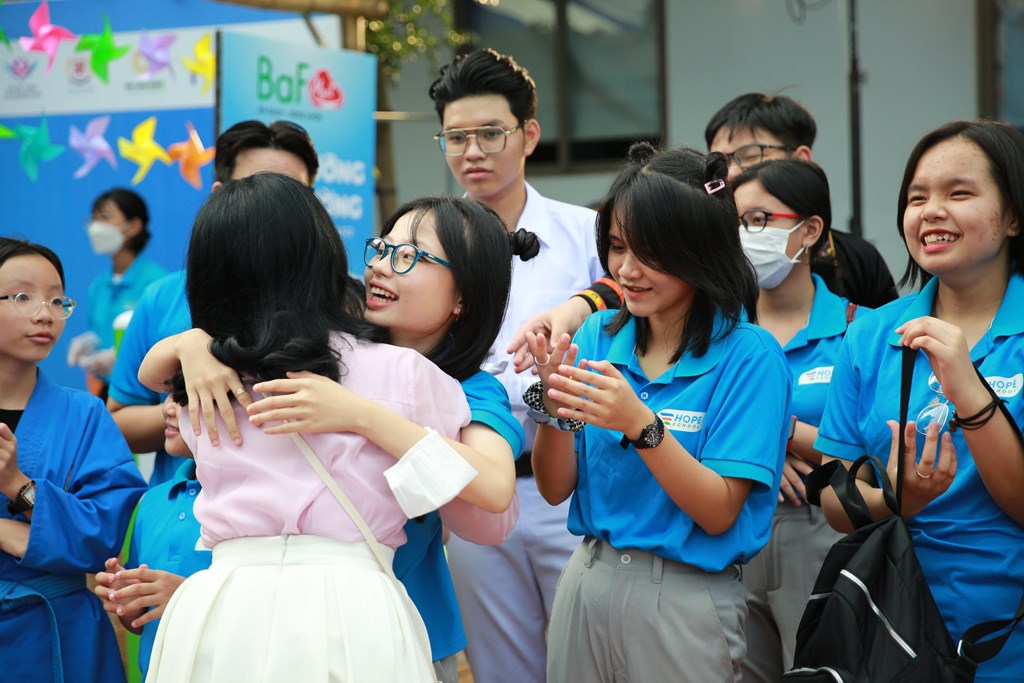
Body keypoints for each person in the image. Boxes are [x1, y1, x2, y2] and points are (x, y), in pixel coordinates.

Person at [133, 196, 533, 682]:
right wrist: (191, 343)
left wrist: (361, 415)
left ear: (462, 297)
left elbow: (492, 497)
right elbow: (159, 382)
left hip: (397, 615)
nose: (382, 268)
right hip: (286, 608)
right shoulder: (318, 349)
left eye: (409, 257)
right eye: (380, 250)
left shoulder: (468, 388)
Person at [527, 143, 791, 682]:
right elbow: (555, 489)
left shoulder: (750, 356)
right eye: (618, 246)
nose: (626, 270)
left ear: (700, 248)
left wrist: (642, 426)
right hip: (587, 579)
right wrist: (553, 409)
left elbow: (718, 512)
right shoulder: (599, 334)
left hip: (684, 598)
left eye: (651, 253)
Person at [815, 119, 1024, 681]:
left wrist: (969, 389)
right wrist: (898, 499)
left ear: (1013, 216)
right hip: (891, 630)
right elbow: (836, 501)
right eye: (916, 197)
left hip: (1006, 636)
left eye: (959, 193)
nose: (930, 210)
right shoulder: (871, 334)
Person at [428, 47, 604, 683]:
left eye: (489, 133)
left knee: (589, 662)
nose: (472, 151)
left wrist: (579, 306)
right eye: (456, 137)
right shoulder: (424, 242)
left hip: (574, 486)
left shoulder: (587, 233)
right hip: (474, 492)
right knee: (503, 669)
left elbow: (634, 302)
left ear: (528, 134)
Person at [106, 119, 324, 487]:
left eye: (294, 192)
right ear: (220, 195)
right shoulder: (163, 297)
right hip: (184, 517)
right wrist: (186, 404)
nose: (275, 204)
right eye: (256, 186)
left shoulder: (338, 300)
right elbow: (119, 422)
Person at [730, 158, 865, 681]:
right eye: (737, 223)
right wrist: (772, 449)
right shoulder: (718, 332)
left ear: (810, 230)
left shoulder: (861, 329)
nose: (745, 236)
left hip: (823, 532)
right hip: (732, 529)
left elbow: (868, 454)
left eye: (759, 220)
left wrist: (776, 430)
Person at [0, 237, 147, 683]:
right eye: (23, 296)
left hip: (57, 636)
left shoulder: (85, 414)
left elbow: (104, 538)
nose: (44, 313)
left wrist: (17, 485)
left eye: (56, 299)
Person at [706, 92, 898, 309]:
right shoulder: (709, 260)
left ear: (801, 159)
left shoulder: (858, 260)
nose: (731, 173)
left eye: (750, 156)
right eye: (721, 163)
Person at [93, 395, 209, 681]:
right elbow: (140, 623)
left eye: (183, 397)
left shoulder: (260, 506)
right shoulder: (153, 500)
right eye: (168, 395)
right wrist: (127, 599)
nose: (167, 408)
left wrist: (186, 596)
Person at [67, 188, 167, 397]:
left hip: (146, 391)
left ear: (133, 226)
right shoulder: (99, 285)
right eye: (93, 218)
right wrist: (91, 341)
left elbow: (164, 343)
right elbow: (100, 330)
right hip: (108, 390)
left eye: (104, 217)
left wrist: (120, 356)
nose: (95, 227)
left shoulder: (156, 283)